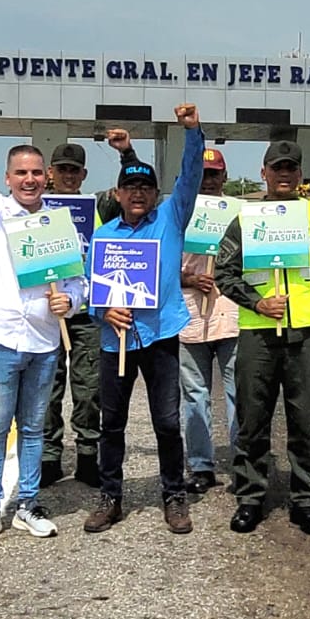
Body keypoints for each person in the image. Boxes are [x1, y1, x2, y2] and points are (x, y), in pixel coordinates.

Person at [214, 113, 310, 535]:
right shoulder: (245, 219)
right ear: (263, 173)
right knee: (252, 420)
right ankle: (250, 498)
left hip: (307, 336)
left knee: (305, 422)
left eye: (291, 168)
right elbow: (224, 272)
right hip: (259, 335)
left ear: (300, 174)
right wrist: (258, 302)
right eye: (276, 168)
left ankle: (305, 499)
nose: (283, 174)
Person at [0, 89, 87, 544]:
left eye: (36, 173)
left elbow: (78, 282)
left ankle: (28, 502)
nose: (29, 180)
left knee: (34, 428)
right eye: (20, 173)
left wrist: (70, 301)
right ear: (8, 178)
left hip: (44, 341)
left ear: (46, 178)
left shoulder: (59, 223)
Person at [82, 104, 204, 535]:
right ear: (116, 194)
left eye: (145, 188)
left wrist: (192, 131)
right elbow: (88, 286)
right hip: (116, 340)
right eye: (130, 187)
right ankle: (111, 496)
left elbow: (190, 175)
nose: (138, 193)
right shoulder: (103, 234)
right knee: (111, 424)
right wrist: (102, 309)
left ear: (155, 195)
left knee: (167, 422)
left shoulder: (171, 219)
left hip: (160, 337)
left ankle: (174, 493)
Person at [39, 142, 116, 488]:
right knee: (46, 389)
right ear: (50, 173)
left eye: (75, 170)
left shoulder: (98, 208)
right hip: (46, 313)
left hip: (86, 315)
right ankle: (49, 457)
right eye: (62, 169)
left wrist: (126, 153)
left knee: (88, 389)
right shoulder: (35, 209)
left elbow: (132, 192)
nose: (68, 176)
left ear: (83, 175)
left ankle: (88, 454)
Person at [178, 147, 240, 495]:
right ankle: (201, 464)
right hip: (189, 315)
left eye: (214, 173)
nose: (209, 180)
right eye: (203, 174)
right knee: (195, 395)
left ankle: (241, 461)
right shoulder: (179, 214)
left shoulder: (240, 214)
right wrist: (187, 280)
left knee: (238, 394)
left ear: (224, 177)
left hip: (232, 313)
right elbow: (156, 265)